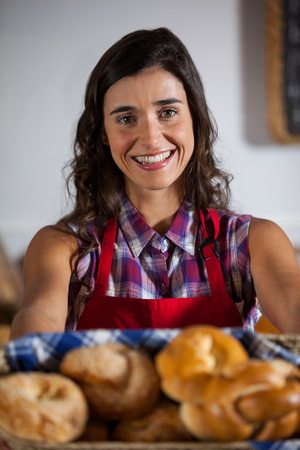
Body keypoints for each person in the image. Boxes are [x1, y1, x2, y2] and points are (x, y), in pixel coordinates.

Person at [10, 28, 300, 340]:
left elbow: (294, 305)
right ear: (102, 133)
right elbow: (38, 316)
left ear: (194, 119)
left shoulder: (250, 241)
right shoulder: (63, 247)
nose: (150, 139)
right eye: (125, 118)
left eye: (167, 112)